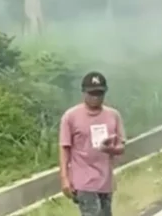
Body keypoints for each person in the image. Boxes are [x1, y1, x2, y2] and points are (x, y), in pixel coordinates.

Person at [59, 71, 126, 216]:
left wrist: (112, 149)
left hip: (105, 180)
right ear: (84, 93)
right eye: (92, 93)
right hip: (82, 181)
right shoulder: (71, 116)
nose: (96, 97)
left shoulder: (113, 116)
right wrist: (65, 179)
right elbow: (64, 148)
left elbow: (121, 146)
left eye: (99, 93)